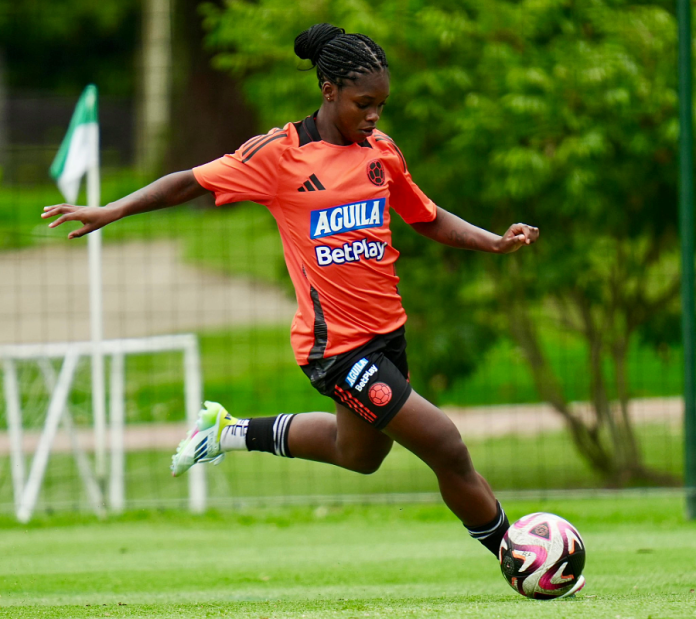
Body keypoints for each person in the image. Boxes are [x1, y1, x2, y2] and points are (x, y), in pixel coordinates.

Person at [43, 23, 539, 559]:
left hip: (387, 335)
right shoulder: (279, 155)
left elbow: (426, 216)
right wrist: (113, 208)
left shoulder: (381, 152)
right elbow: (189, 180)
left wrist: (492, 243)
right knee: (445, 445)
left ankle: (229, 432)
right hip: (337, 348)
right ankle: (518, 556)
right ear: (329, 92)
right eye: (363, 103)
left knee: (360, 455)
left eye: (381, 105)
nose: (373, 116)